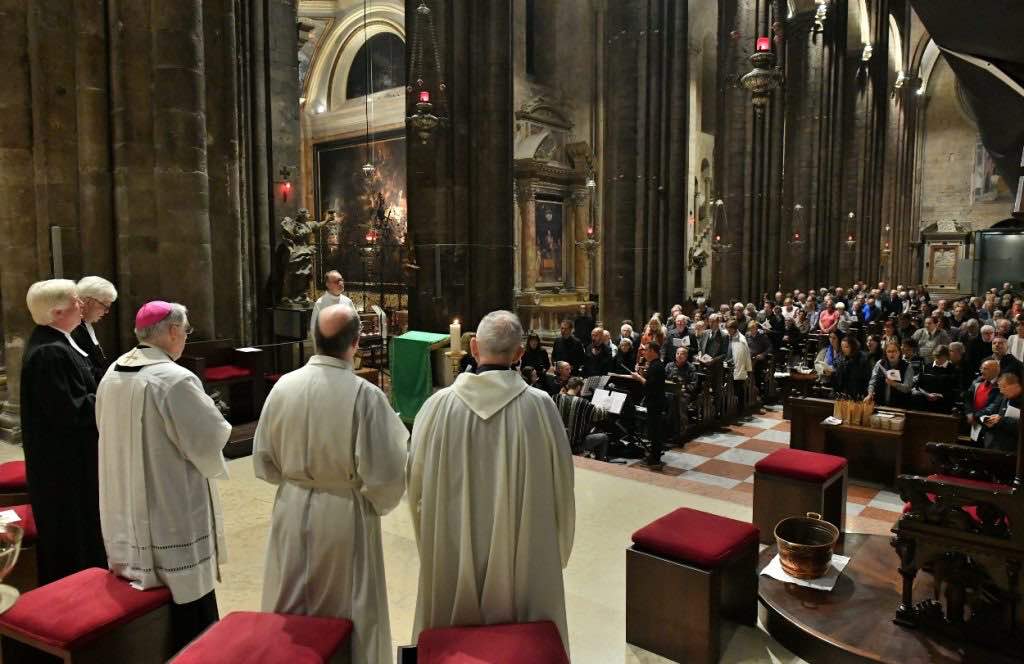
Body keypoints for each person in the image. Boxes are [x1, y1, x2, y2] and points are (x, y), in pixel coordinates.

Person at [409, 310, 575, 649]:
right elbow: (563, 487)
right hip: (524, 557)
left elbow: (415, 490)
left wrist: (431, 544)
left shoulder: (436, 408)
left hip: (452, 553)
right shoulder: (542, 408)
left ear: (472, 347)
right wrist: (555, 551)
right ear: (518, 355)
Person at [254, 303, 408, 664]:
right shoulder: (365, 395)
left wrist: (296, 482)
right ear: (356, 342)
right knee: (348, 607)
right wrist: (373, 498)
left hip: (291, 508)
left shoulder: (283, 388)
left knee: (290, 601)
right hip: (343, 514)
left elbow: (263, 459)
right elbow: (386, 473)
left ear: (313, 340)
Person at [97, 301, 232, 649]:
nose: (185, 338)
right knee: (186, 597)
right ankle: (196, 648)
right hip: (169, 500)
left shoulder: (113, 370)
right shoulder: (174, 378)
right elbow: (212, 435)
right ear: (172, 331)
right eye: (185, 331)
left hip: (124, 499)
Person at [21, 279, 106, 584]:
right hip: (63, 465)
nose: (81, 304)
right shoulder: (50, 353)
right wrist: (113, 394)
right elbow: (71, 410)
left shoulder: (60, 341)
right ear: (57, 312)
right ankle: (77, 586)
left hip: (73, 458)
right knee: (72, 528)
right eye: (75, 301)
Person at [72, 276, 118, 383]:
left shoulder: (86, 324)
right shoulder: (73, 329)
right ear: (88, 301)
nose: (106, 312)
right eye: (105, 306)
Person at [631, 342, 668, 467]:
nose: (643, 352)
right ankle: (653, 455)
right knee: (653, 430)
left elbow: (650, 386)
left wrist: (638, 378)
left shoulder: (657, 366)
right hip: (654, 401)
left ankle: (655, 458)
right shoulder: (654, 365)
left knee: (655, 431)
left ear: (653, 351)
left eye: (646, 350)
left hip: (655, 402)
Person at [555, 377, 609, 460]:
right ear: (578, 388)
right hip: (575, 446)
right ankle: (599, 463)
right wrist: (605, 407)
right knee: (603, 437)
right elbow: (600, 415)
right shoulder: (583, 403)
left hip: (556, 442)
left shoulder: (555, 398)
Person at [309, 270, 355, 354]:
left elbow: (355, 324)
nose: (340, 283)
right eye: (337, 281)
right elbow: (314, 329)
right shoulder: (320, 303)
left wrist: (352, 346)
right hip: (327, 352)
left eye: (341, 280)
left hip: (345, 351)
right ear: (328, 284)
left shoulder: (348, 301)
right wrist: (320, 352)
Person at [980, 373, 1022, 452]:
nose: (1001, 391)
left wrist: (1001, 420)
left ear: (1015, 385)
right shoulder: (1006, 398)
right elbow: (1000, 418)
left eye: (1003, 387)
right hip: (999, 446)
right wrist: (993, 422)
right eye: (1000, 388)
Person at [866, 341, 914, 408]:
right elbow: (872, 382)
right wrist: (870, 394)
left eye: (894, 351)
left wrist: (894, 384)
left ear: (899, 352)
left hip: (900, 405)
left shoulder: (907, 366)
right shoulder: (880, 363)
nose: (892, 354)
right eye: (889, 351)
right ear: (886, 353)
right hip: (880, 404)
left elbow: (907, 388)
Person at [965, 360, 1003, 443]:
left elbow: (993, 406)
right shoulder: (977, 381)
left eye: (985, 369)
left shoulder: (1001, 384)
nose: (981, 371)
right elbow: (968, 398)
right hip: (974, 424)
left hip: (989, 426)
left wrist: (974, 416)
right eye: (981, 368)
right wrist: (969, 413)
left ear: (995, 371)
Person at [726, 320, 753, 410]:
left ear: (734, 329)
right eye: (728, 329)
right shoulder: (730, 335)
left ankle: (740, 409)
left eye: (730, 329)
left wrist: (738, 368)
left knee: (738, 388)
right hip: (729, 365)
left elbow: (740, 357)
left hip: (737, 367)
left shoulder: (740, 340)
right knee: (733, 387)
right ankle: (731, 406)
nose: (728, 331)